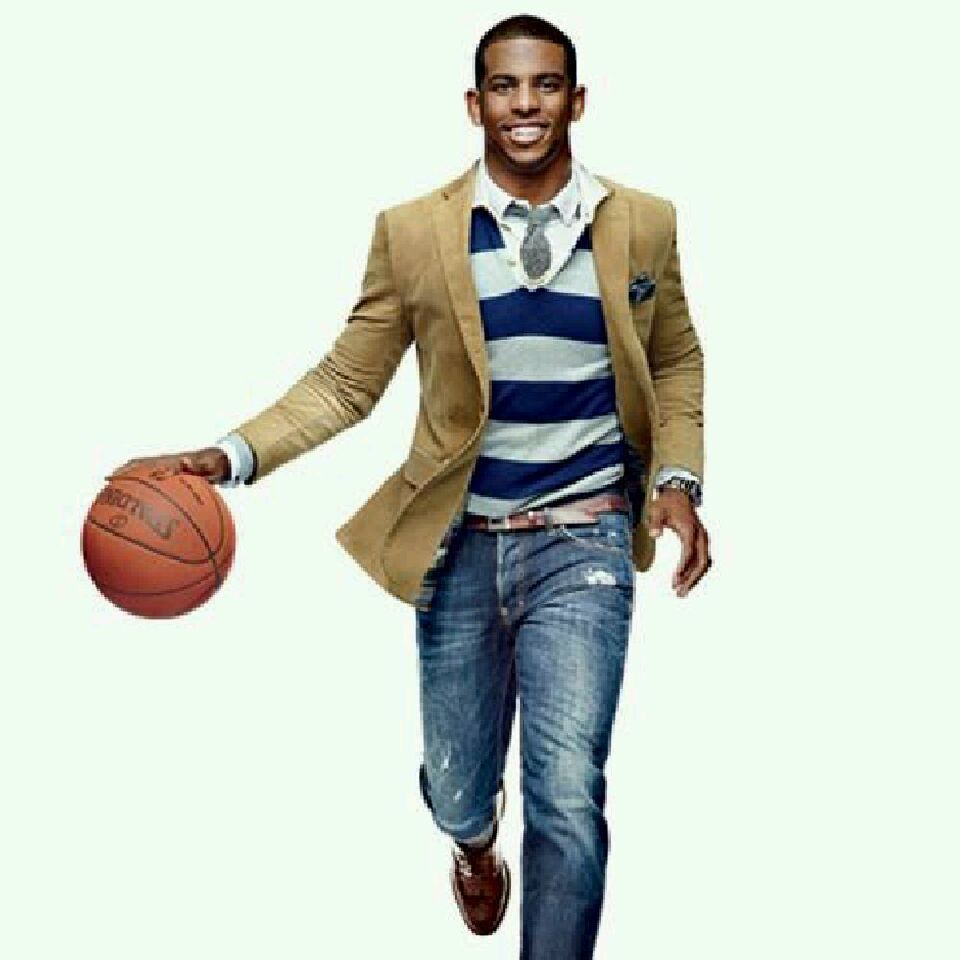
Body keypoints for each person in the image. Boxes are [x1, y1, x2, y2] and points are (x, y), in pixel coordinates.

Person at [110, 15, 711, 959]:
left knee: (567, 791)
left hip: (586, 539)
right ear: (475, 104)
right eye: (505, 87)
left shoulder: (645, 221)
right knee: (461, 786)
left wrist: (676, 479)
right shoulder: (414, 232)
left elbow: (673, 358)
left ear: (577, 100)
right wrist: (229, 455)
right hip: (459, 543)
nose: (525, 105)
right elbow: (346, 382)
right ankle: (472, 842)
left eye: (546, 85)